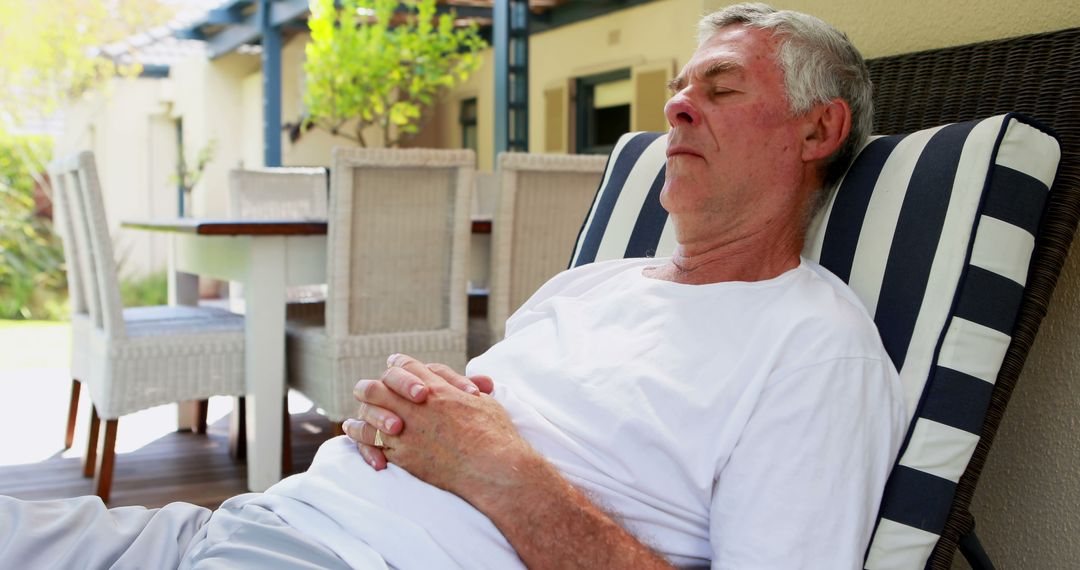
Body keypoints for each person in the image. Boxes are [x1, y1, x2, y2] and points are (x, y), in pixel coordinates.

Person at [0, 3, 906, 568]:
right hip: (235, 522)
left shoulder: (814, 347)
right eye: (676, 89)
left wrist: (498, 471)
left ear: (817, 129)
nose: (675, 107)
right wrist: (399, 418)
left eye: (719, 87)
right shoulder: (592, 285)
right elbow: (470, 424)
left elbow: (489, 456)